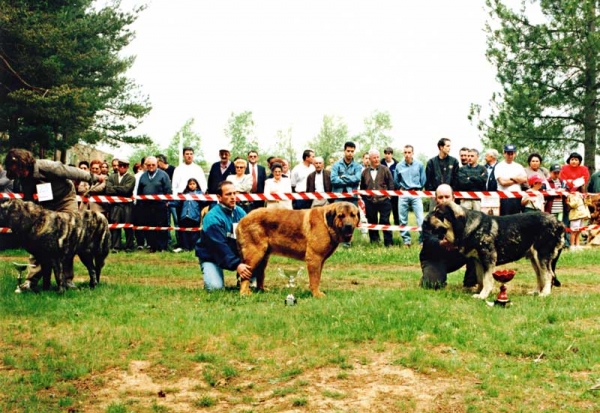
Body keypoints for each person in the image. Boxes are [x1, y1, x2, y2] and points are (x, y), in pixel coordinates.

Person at [4, 148, 104, 291]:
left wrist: (93, 177)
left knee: (67, 240)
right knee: (37, 240)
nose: (20, 173)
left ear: (26, 163)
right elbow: (27, 200)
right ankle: (31, 280)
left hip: (65, 199)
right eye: (16, 172)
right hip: (46, 204)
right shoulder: (22, 178)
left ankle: (67, 280)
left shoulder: (48, 167)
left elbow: (73, 172)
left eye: (21, 169)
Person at [195, 180, 252, 291]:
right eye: (228, 194)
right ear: (219, 197)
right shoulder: (212, 218)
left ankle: (242, 280)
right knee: (215, 288)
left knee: (253, 285)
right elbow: (218, 246)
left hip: (235, 254)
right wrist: (237, 265)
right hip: (211, 256)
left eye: (234, 193)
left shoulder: (241, 213)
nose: (233, 197)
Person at [419, 184, 469, 289]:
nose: (444, 200)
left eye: (447, 197)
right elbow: (427, 240)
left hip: (458, 255)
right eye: (440, 197)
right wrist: (441, 243)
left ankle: (471, 282)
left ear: (453, 198)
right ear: (435, 199)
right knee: (432, 285)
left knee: (476, 250)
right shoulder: (429, 218)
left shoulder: (464, 216)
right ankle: (430, 276)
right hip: (435, 257)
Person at [360, 149, 395, 247]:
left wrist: (389, 197)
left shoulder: (385, 169)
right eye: (374, 158)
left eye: (377, 157)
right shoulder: (364, 172)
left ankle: (388, 243)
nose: (376, 159)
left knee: (385, 221)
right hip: (370, 201)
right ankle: (374, 242)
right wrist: (365, 199)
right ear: (370, 159)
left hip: (384, 201)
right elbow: (363, 188)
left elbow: (391, 184)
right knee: (372, 221)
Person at [137, 156, 172, 252]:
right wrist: (140, 204)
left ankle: (162, 246)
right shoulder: (143, 176)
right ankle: (152, 246)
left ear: (157, 164)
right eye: (149, 165)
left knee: (162, 226)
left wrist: (166, 202)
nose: (151, 166)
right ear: (146, 165)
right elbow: (139, 191)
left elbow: (168, 190)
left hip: (160, 205)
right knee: (150, 226)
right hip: (147, 206)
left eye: (153, 165)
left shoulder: (163, 175)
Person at [394, 145, 425, 247]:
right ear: (403, 153)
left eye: (409, 152)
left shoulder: (419, 165)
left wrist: (418, 189)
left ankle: (422, 240)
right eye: (405, 152)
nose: (407, 154)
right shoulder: (399, 166)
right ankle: (406, 241)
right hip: (403, 193)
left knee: (420, 218)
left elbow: (423, 179)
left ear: (412, 153)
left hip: (416, 193)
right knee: (402, 218)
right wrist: (402, 189)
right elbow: (396, 180)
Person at [105, 158, 135, 252]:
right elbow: (108, 190)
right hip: (115, 205)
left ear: (127, 167)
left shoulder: (131, 178)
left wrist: (115, 189)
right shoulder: (112, 177)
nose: (122, 168)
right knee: (115, 225)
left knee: (128, 226)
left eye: (124, 166)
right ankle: (116, 246)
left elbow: (127, 190)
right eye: (120, 165)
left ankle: (129, 246)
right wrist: (120, 189)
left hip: (127, 205)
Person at [425, 138, 459, 209]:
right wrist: (434, 193)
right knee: (434, 217)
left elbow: (456, 179)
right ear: (441, 147)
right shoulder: (431, 162)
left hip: (449, 196)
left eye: (450, 146)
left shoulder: (454, 161)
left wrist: (451, 193)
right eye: (447, 146)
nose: (450, 148)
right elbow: (428, 180)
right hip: (435, 196)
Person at [495, 144, 527, 215]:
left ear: (515, 154)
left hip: (516, 196)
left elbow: (524, 179)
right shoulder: (499, 166)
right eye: (508, 153)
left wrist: (512, 178)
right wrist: (517, 180)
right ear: (504, 153)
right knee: (505, 218)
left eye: (512, 153)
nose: (510, 155)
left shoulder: (519, 166)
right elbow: (503, 183)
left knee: (516, 218)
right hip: (504, 196)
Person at [174, 178, 204, 251]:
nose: (192, 186)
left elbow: (204, 202)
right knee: (184, 232)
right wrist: (169, 204)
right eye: (190, 184)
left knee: (194, 232)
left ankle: (194, 246)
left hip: (194, 216)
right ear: (188, 185)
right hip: (184, 216)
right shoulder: (184, 194)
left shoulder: (200, 194)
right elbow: (178, 203)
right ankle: (185, 247)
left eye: (194, 184)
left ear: (197, 185)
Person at [330, 141, 362, 205]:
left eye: (352, 151)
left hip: (352, 197)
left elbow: (357, 178)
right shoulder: (336, 165)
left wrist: (343, 177)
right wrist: (350, 180)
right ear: (344, 151)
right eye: (348, 151)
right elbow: (333, 179)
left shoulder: (357, 166)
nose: (350, 153)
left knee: (353, 214)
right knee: (337, 214)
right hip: (338, 196)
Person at [382, 147, 400, 226]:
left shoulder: (397, 164)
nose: (387, 155)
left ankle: (397, 224)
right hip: (384, 191)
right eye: (386, 153)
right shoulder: (381, 163)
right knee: (385, 210)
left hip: (395, 191)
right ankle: (386, 224)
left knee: (396, 209)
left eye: (389, 154)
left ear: (392, 154)